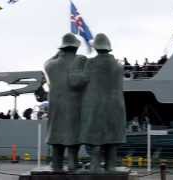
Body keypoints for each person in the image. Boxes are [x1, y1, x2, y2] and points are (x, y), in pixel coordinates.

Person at [79, 33, 126, 172]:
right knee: (112, 137)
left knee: (96, 138)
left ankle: (95, 165)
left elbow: (81, 81)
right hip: (116, 106)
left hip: (96, 105)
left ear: (96, 47)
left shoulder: (90, 63)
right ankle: (111, 165)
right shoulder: (118, 65)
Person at [44, 33, 86, 171]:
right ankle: (73, 162)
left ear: (62, 48)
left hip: (55, 105)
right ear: (75, 48)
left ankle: (57, 163)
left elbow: (46, 62)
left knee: (56, 133)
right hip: (75, 104)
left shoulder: (50, 65)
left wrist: (58, 53)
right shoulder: (81, 60)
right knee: (73, 133)